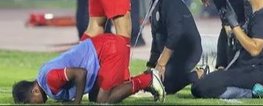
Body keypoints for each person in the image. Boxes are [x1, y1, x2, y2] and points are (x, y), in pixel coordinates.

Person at [191, 0, 263, 99]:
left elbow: (255, 49)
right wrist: (231, 29)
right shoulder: (256, 16)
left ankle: (252, 93)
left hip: (255, 72)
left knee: (201, 88)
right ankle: (250, 90)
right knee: (198, 86)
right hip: (244, 69)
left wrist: (234, 25)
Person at [12, 34, 164, 104]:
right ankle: (142, 80)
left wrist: (76, 103)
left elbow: (80, 73)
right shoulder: (44, 78)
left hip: (108, 51)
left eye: (29, 103)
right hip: (103, 49)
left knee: (104, 100)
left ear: (34, 91)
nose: (32, 105)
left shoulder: (50, 80)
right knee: (94, 98)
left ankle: (147, 80)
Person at [142, 0, 207, 94]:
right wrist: (151, 66)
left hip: (187, 51)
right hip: (174, 51)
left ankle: (199, 73)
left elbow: (175, 34)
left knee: (165, 86)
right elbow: (156, 37)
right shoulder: (155, 1)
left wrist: (161, 64)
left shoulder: (170, 0)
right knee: (150, 81)